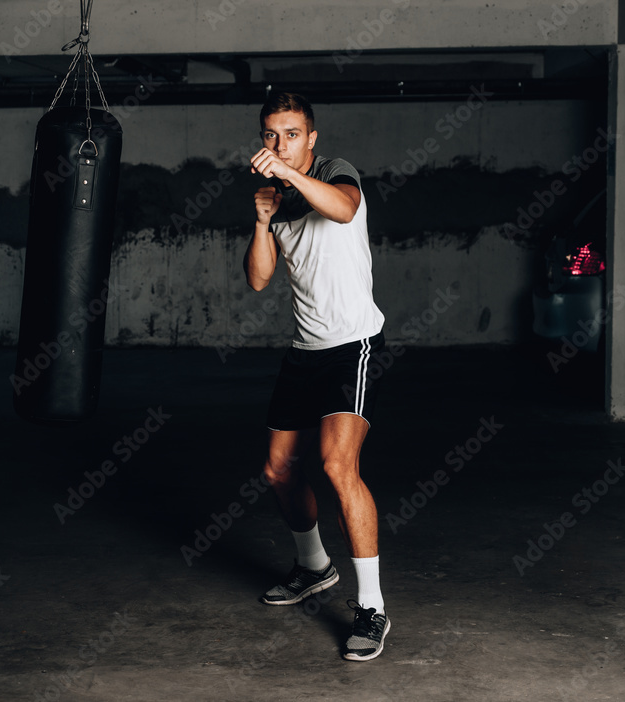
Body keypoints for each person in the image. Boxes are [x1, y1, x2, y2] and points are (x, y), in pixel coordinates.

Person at [244, 91, 390, 661]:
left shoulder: (335, 174)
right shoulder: (275, 198)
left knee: (335, 465)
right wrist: (261, 221)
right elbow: (259, 280)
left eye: (293, 134)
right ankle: (314, 569)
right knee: (278, 469)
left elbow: (345, 209)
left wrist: (287, 175)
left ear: (312, 137)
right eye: (271, 136)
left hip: (352, 345)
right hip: (305, 349)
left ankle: (372, 607)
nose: (281, 145)